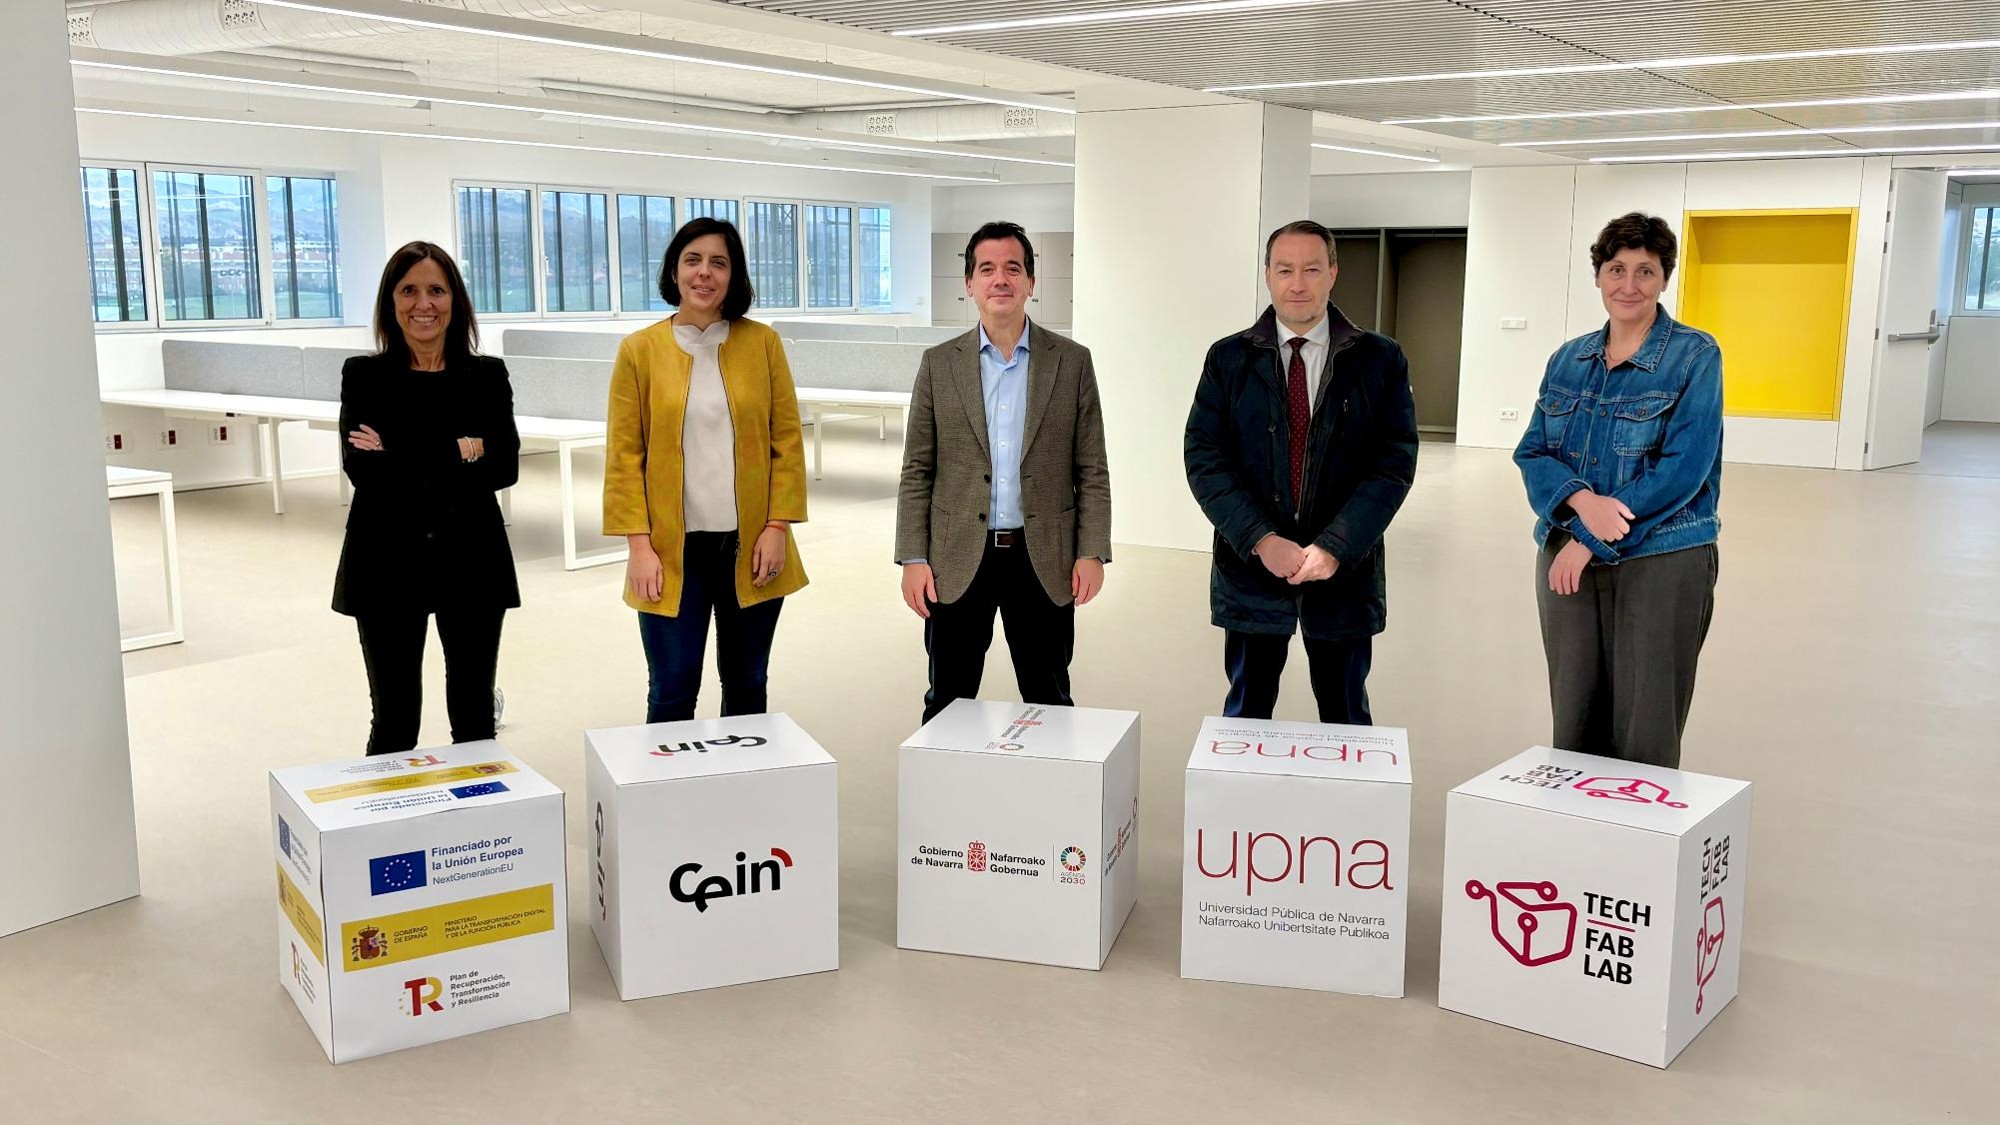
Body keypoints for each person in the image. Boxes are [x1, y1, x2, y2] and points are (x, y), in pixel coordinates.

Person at [1184, 219, 1418, 724]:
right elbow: (1204, 459)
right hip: (1252, 568)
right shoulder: (1229, 360)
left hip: (1343, 573)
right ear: (1267, 275)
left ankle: (1351, 803)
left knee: (1346, 714)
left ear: (1332, 273)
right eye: (1284, 269)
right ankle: (1242, 799)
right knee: (1247, 708)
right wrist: (1261, 539)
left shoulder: (1379, 359)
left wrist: (1337, 545)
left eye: (1311, 269)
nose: (1297, 283)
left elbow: (1393, 463)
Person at [1514, 212, 1723, 769]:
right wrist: (1582, 507)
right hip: (1568, 560)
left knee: (1645, 727)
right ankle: (1583, 843)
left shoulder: (1695, 357)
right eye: (1616, 269)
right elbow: (1532, 451)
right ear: (1599, 276)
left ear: (1664, 278)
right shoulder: (1568, 360)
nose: (1628, 285)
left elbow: (1685, 469)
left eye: (1645, 271)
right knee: (1574, 720)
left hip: (1661, 556)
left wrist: (1590, 540)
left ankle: (1641, 846)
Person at [896, 220, 1111, 723]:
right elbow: (917, 469)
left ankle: (1051, 798)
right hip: (956, 558)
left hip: (1043, 558)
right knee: (948, 698)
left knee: (1050, 697)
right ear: (969, 284)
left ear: (1031, 283)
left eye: (1012, 268)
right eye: (986, 269)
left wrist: (1092, 551)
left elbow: (1092, 468)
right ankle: (944, 798)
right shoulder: (937, 364)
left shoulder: (1073, 362)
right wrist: (911, 556)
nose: (1000, 279)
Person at [604, 217, 808, 722]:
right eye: (692, 260)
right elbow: (624, 457)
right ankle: (667, 800)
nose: (704, 273)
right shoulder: (639, 351)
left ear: (733, 275)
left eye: (718, 262)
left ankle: (741, 793)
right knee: (671, 691)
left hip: (751, 544)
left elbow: (786, 441)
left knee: (747, 685)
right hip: (672, 552)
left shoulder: (763, 344)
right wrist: (638, 546)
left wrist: (778, 526)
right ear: (674, 271)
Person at [334, 241, 520, 756]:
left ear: (454, 300)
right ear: (391, 302)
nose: (424, 303)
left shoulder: (486, 376)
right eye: (409, 290)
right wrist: (460, 450)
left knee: (474, 714)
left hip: (473, 558)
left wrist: (398, 452)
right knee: (394, 720)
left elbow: (504, 466)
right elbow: (365, 472)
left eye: (436, 290)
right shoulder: (364, 375)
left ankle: (478, 833)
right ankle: (390, 835)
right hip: (385, 559)